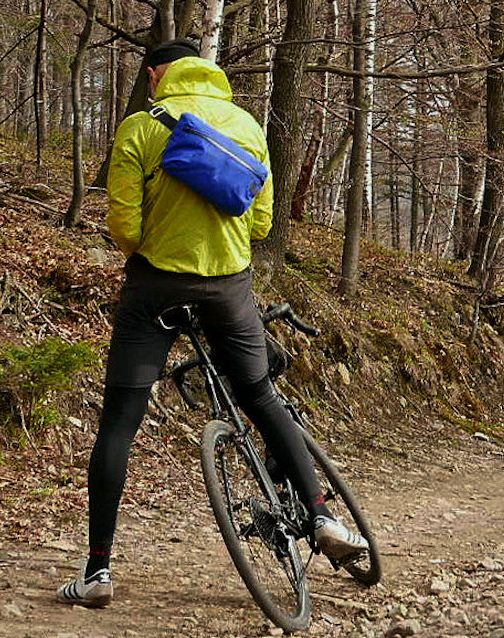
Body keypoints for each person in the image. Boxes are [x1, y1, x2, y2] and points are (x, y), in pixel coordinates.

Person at [57, 39, 366, 608]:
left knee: (121, 420)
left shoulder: (140, 127)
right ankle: (323, 518)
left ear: (156, 76)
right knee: (262, 398)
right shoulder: (245, 122)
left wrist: (159, 241)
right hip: (229, 286)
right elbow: (263, 219)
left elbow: (124, 228)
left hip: (155, 287)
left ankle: (98, 571)